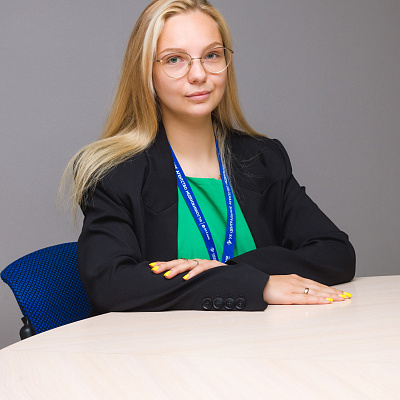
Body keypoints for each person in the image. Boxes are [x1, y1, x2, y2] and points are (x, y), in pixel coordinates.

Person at [63, 0, 355, 315]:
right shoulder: (113, 172)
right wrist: (255, 284)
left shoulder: (263, 159)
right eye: (175, 59)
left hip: (263, 339)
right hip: (164, 344)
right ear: (146, 71)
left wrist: (227, 271)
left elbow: (336, 253)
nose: (199, 74)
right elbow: (111, 285)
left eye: (212, 55)